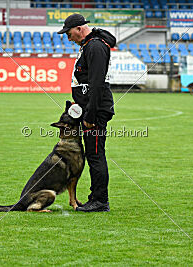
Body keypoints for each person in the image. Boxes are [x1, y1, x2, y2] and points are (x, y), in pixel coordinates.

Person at [57, 14, 116, 212]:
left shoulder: (95, 47)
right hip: (90, 110)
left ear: (80, 29)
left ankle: (100, 201)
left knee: (96, 155)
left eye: (69, 33)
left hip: (95, 113)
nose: (68, 38)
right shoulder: (90, 45)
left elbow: (97, 84)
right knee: (93, 154)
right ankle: (96, 198)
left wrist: (90, 116)